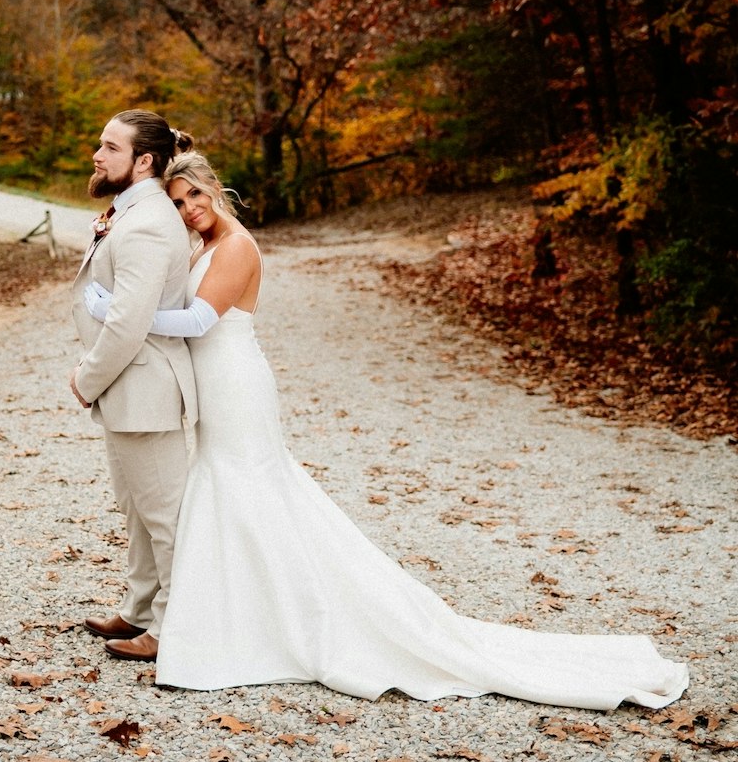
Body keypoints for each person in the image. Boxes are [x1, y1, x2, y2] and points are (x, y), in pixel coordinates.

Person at [84, 148, 689, 709]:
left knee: (245, 488)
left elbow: (196, 321)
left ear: (216, 191)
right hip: (213, 387)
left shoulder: (237, 245)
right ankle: (233, 614)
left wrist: (115, 310)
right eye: (178, 202)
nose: (189, 209)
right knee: (228, 495)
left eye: (196, 196)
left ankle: (252, 623)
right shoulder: (201, 245)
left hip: (236, 386)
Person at [70, 110, 197, 663]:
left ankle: (172, 628)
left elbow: (128, 322)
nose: (97, 156)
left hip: (145, 388)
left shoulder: (147, 223)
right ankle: (140, 607)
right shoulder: (131, 211)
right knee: (136, 510)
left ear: (144, 161)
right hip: (128, 390)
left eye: (109, 147)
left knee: (165, 516)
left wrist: (86, 378)